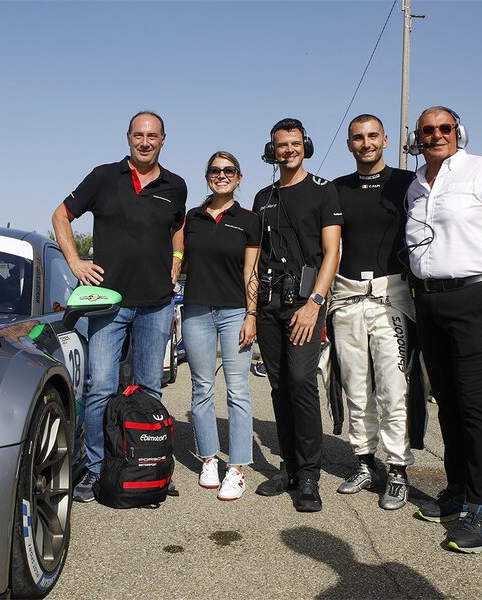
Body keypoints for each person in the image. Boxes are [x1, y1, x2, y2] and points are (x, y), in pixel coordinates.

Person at [405, 106, 482, 553]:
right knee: (448, 403)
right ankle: (457, 493)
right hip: (430, 300)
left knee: (475, 404)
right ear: (417, 137)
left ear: (459, 132)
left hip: (475, 297)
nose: (437, 135)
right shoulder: (416, 184)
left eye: (445, 128)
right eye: (428, 130)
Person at [52, 111, 187, 503]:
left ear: (163, 139)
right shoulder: (102, 176)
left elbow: (177, 226)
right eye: (138, 135)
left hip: (157, 305)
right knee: (100, 390)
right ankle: (95, 470)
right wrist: (76, 262)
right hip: (108, 303)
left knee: (149, 390)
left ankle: (150, 462)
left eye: (152, 136)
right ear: (128, 137)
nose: (145, 142)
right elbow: (61, 215)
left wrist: (177, 260)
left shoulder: (175, 185)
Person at [252, 118, 343, 512]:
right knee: (279, 386)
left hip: (306, 304)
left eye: (294, 143)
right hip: (270, 304)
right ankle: (287, 467)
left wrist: (315, 303)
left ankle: (309, 475)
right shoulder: (262, 196)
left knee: (303, 382)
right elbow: (253, 259)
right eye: (280, 145)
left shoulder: (325, 191)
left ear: (305, 145)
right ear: (272, 150)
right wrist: (252, 308)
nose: (287, 150)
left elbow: (332, 253)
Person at [329, 114, 416, 510]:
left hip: (392, 295)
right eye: (357, 138)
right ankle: (364, 461)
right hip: (346, 296)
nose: (365, 143)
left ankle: (397, 469)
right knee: (355, 385)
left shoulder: (406, 182)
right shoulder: (337, 188)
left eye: (372, 136)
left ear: (385, 139)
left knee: (393, 387)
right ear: (349, 144)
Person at [181, 151, 261, 501]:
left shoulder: (249, 220)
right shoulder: (192, 217)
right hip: (196, 310)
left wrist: (251, 314)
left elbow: (251, 272)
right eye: (215, 170)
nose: (222, 175)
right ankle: (210, 459)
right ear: (207, 177)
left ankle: (238, 468)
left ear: (239, 178)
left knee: (238, 391)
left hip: (234, 313)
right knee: (201, 387)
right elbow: (177, 255)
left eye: (229, 170)